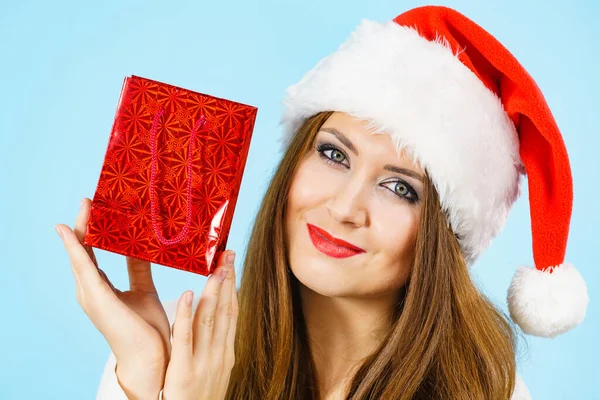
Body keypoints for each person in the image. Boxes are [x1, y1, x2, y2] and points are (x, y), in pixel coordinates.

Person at [56, 5, 588, 400]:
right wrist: (145, 375)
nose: (345, 207)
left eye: (400, 187)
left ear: (442, 239)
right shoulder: (170, 348)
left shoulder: (485, 390)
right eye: (334, 154)